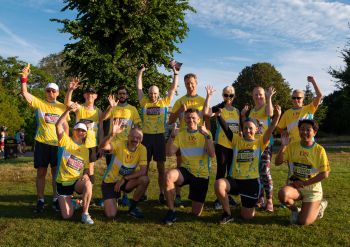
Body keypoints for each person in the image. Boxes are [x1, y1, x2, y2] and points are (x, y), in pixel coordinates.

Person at [214, 105, 281, 224]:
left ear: (256, 130)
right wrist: (218, 116)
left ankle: (249, 204)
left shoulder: (260, 141)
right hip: (235, 180)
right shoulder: (236, 140)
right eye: (245, 128)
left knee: (247, 217)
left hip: (251, 183)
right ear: (242, 129)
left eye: (250, 128)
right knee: (219, 184)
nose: (248, 131)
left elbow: (271, 128)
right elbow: (226, 129)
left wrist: (277, 116)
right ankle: (227, 213)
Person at [20, 64, 69, 213]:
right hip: (41, 143)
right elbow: (25, 93)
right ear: (45, 92)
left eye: (53, 90)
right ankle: (40, 200)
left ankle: (55, 200)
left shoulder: (62, 107)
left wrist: (66, 143)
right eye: (48, 90)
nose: (50, 92)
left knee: (55, 173)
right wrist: (24, 78)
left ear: (58, 93)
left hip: (57, 144)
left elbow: (66, 126)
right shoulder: (39, 103)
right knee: (41, 172)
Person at [163, 108, 215, 225]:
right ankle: (171, 211)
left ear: (198, 119)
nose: (190, 120)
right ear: (184, 120)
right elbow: (169, 153)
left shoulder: (206, 133)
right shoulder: (180, 134)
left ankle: (194, 201)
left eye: (193, 117)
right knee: (168, 176)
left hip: (201, 174)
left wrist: (207, 136)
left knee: (196, 213)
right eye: (188, 118)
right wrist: (171, 137)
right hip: (186, 170)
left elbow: (212, 154)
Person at [136, 64, 178, 204]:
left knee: (161, 168)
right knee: (144, 167)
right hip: (146, 138)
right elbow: (139, 88)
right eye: (151, 93)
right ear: (149, 93)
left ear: (158, 94)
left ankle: (161, 193)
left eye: (155, 93)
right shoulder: (144, 102)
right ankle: (143, 193)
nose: (153, 95)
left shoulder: (164, 102)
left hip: (159, 137)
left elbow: (172, 89)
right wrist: (140, 72)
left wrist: (175, 74)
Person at [275, 119, 329, 225]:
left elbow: (324, 174)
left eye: (308, 130)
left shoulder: (319, 150)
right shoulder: (292, 146)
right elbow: (277, 162)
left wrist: (305, 183)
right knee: (283, 194)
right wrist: (283, 145)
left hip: (312, 189)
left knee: (303, 222)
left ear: (314, 132)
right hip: (296, 185)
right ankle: (295, 211)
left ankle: (320, 205)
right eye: (302, 129)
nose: (304, 132)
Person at [167, 73, 208, 205]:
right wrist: (180, 110)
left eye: (192, 83)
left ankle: (195, 195)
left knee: (198, 168)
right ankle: (178, 195)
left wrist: (208, 136)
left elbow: (207, 120)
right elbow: (170, 120)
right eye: (187, 84)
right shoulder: (180, 101)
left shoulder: (202, 100)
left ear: (196, 83)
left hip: (198, 141)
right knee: (180, 166)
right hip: (182, 140)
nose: (189, 86)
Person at [99, 119, 149, 219]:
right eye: (133, 137)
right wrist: (112, 134)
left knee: (145, 179)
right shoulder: (120, 144)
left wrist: (125, 179)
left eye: (138, 138)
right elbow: (103, 146)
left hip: (125, 181)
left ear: (141, 139)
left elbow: (143, 171)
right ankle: (114, 198)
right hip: (111, 181)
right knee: (111, 215)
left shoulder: (142, 149)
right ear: (128, 136)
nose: (135, 139)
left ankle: (132, 209)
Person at [102, 86, 142, 205]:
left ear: (127, 95)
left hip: (127, 146)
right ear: (117, 95)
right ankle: (112, 196)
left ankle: (124, 195)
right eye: (120, 94)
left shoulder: (132, 109)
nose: (122, 95)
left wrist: (136, 139)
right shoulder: (113, 108)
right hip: (112, 144)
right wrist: (110, 106)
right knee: (111, 170)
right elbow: (103, 117)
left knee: (126, 171)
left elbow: (138, 125)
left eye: (124, 94)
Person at [55, 103, 94, 224]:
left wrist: (87, 175)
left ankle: (85, 213)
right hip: (63, 182)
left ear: (86, 133)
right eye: (78, 129)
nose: (81, 132)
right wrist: (68, 110)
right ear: (74, 130)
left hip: (76, 181)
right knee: (67, 216)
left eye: (83, 130)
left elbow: (87, 169)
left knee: (88, 183)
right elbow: (58, 125)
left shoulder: (86, 150)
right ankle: (74, 202)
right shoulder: (65, 141)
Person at [203, 85, 240, 209]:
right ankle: (219, 198)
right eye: (226, 95)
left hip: (233, 146)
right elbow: (206, 113)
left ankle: (227, 196)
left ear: (234, 96)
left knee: (230, 172)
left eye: (231, 95)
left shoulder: (237, 111)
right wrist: (208, 96)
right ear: (223, 95)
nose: (228, 98)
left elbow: (238, 128)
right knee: (221, 170)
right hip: (221, 145)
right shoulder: (220, 107)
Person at [241, 86, 276, 211]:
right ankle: (260, 199)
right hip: (254, 145)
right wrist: (243, 116)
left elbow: (270, 114)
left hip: (266, 143)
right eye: (256, 94)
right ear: (252, 96)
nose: (258, 96)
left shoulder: (267, 106)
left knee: (265, 170)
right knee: (256, 172)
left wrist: (269, 97)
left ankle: (270, 200)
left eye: (260, 94)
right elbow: (249, 126)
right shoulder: (252, 111)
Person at [65, 78, 103, 186]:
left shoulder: (99, 111)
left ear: (96, 96)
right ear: (84, 95)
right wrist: (70, 89)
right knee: (73, 167)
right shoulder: (79, 107)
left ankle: (87, 194)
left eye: (92, 94)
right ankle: (71, 193)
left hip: (91, 145)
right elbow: (67, 103)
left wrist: (101, 146)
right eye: (88, 94)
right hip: (78, 144)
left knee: (90, 169)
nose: (90, 96)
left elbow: (101, 129)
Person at [277, 76, 323, 143]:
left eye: (298, 98)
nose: (296, 100)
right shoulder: (287, 112)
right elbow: (279, 127)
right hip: (293, 145)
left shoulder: (309, 108)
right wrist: (284, 132)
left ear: (303, 98)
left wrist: (313, 81)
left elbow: (319, 96)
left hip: (308, 143)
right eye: (294, 98)